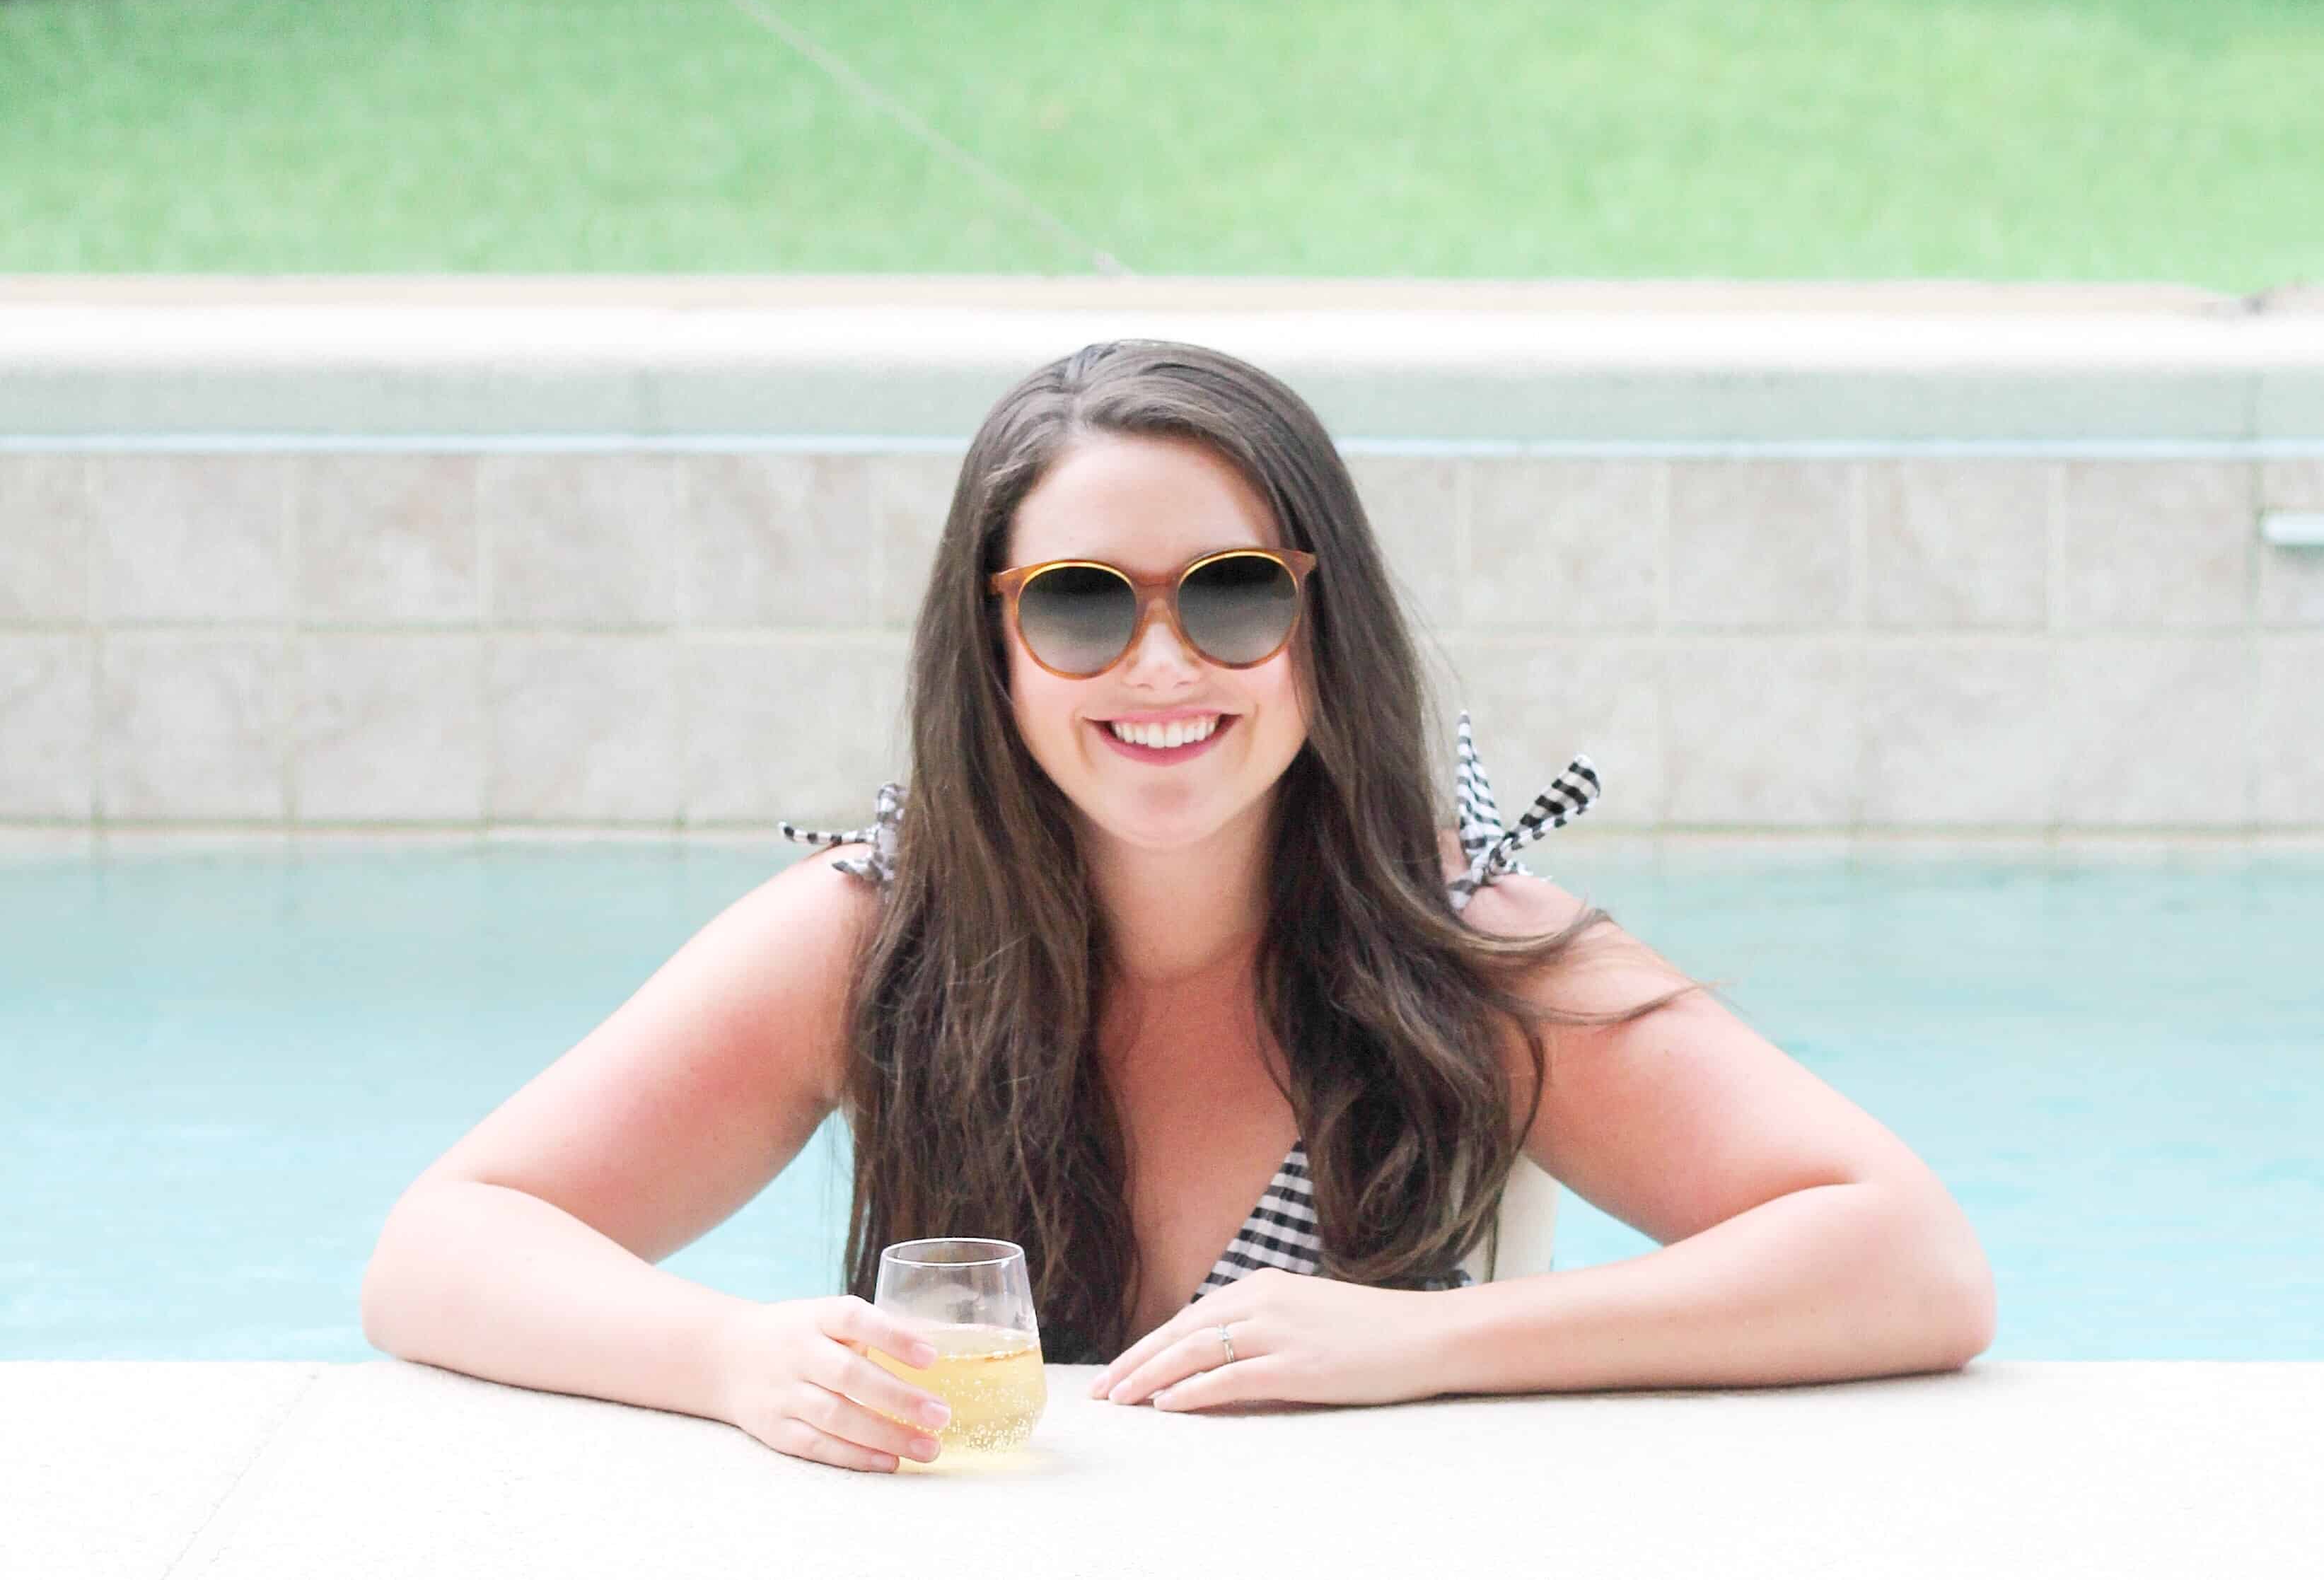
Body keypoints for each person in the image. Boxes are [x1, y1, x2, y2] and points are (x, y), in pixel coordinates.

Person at [362, 339, 1994, 1472]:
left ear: (1316, 621)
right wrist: (727, 1361)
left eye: (1228, 594)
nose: (1160, 663)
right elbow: (443, 1243)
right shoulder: (874, 937)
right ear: (990, 648)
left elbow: (1907, 1258)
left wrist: (1425, 1344)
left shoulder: (1462, 951)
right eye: (1078, 603)